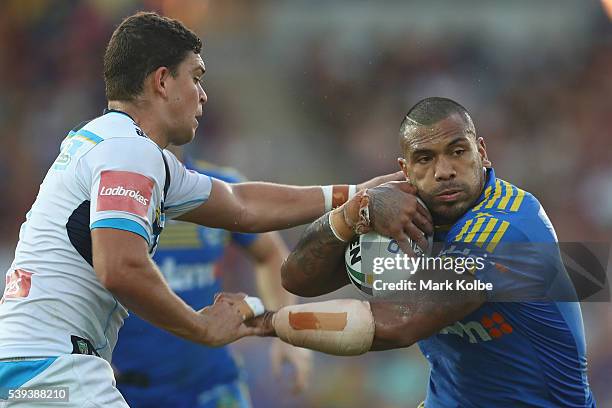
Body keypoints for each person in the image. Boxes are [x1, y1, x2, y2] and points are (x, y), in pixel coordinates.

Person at [0, 12, 408, 407]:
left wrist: (354, 192)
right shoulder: (129, 150)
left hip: (32, 373)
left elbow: (241, 204)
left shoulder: (116, 145)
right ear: (162, 81)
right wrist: (201, 328)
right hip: (53, 371)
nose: (204, 94)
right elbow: (119, 267)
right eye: (195, 77)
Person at [264, 97, 595, 407]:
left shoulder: (509, 228)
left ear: (482, 153)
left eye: (458, 151)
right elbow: (298, 279)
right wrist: (351, 214)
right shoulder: (403, 214)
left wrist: (264, 322)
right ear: (405, 170)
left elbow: (400, 322)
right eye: (425, 158)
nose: (444, 171)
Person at [114, 150, 311, 408]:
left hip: (214, 387)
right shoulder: (112, 194)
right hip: (129, 392)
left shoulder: (220, 187)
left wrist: (287, 331)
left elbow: (271, 256)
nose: (201, 106)